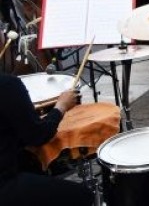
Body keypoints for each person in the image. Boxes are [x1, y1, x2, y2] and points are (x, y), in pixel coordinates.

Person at [0, 73, 92, 206]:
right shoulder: (6, 85)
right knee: (83, 196)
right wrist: (61, 106)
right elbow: (38, 135)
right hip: (5, 184)